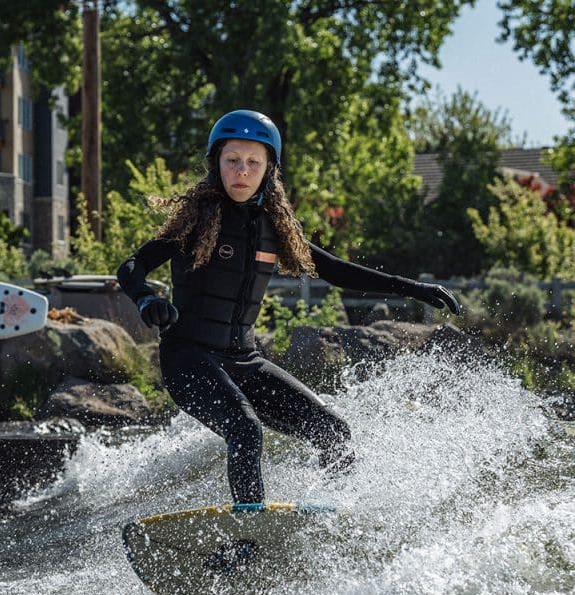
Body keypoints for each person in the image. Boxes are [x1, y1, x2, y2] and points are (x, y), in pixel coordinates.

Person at [117, 109, 461, 504]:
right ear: (217, 164)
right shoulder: (194, 221)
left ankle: (336, 515)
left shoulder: (272, 228)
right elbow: (131, 266)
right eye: (232, 161)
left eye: (253, 162)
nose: (241, 171)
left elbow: (336, 271)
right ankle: (249, 532)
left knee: (334, 432)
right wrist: (146, 298)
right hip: (188, 360)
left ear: (269, 169)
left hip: (244, 361)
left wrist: (414, 288)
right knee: (245, 429)